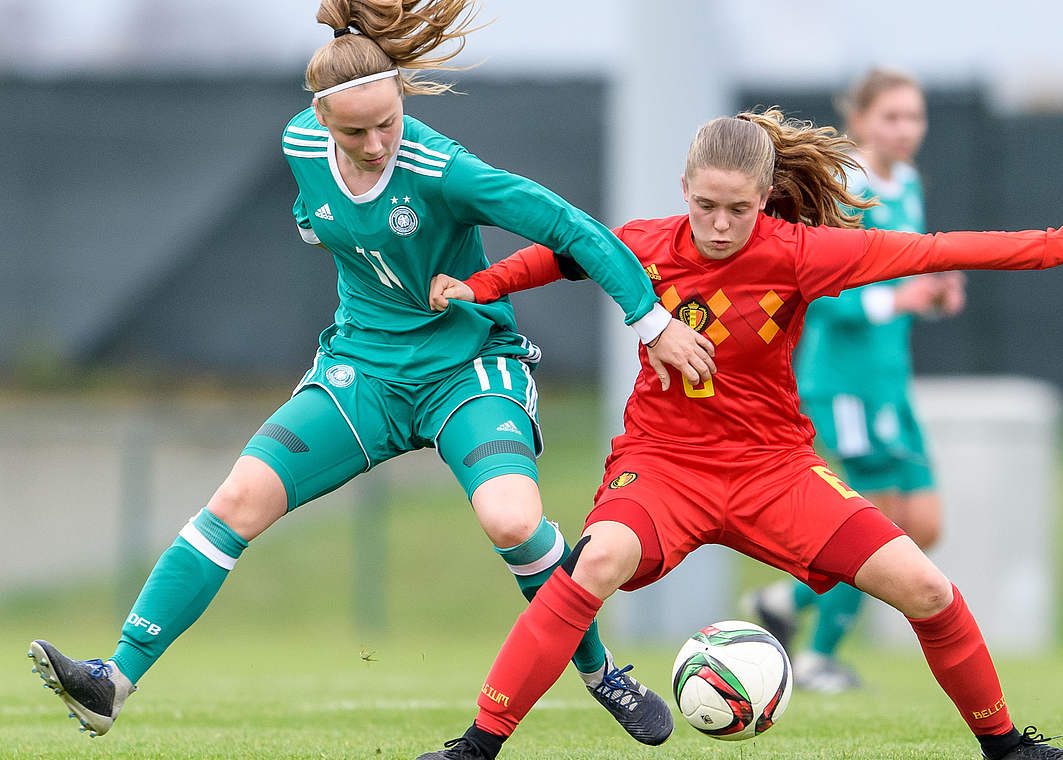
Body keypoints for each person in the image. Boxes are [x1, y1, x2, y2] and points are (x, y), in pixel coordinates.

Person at [25, 0, 717, 746]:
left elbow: (573, 229)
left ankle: (600, 673)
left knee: (513, 521)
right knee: (237, 499)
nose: (379, 141)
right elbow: (316, 213)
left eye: (388, 120)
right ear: (322, 120)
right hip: (366, 371)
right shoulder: (299, 145)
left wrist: (654, 324)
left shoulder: (441, 169)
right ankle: (113, 681)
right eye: (357, 130)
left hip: (469, 372)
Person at [417, 107, 1063, 759]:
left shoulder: (799, 253)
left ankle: (1007, 749)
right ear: (684, 188)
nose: (720, 225)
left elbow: (934, 250)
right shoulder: (643, 246)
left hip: (774, 471)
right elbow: (561, 255)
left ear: (763, 199)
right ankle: (476, 749)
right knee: (591, 566)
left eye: (737, 209)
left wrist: (1060, 244)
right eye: (704, 206)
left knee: (928, 589)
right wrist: (482, 287)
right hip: (664, 466)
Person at [743, 68, 964, 693]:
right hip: (843, 383)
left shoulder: (910, 183)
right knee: (879, 523)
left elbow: (906, 276)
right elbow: (822, 295)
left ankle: (786, 603)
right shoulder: (847, 191)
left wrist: (936, 294)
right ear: (860, 121)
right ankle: (817, 658)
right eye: (891, 116)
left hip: (890, 381)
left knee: (923, 525)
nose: (905, 129)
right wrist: (901, 301)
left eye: (915, 117)